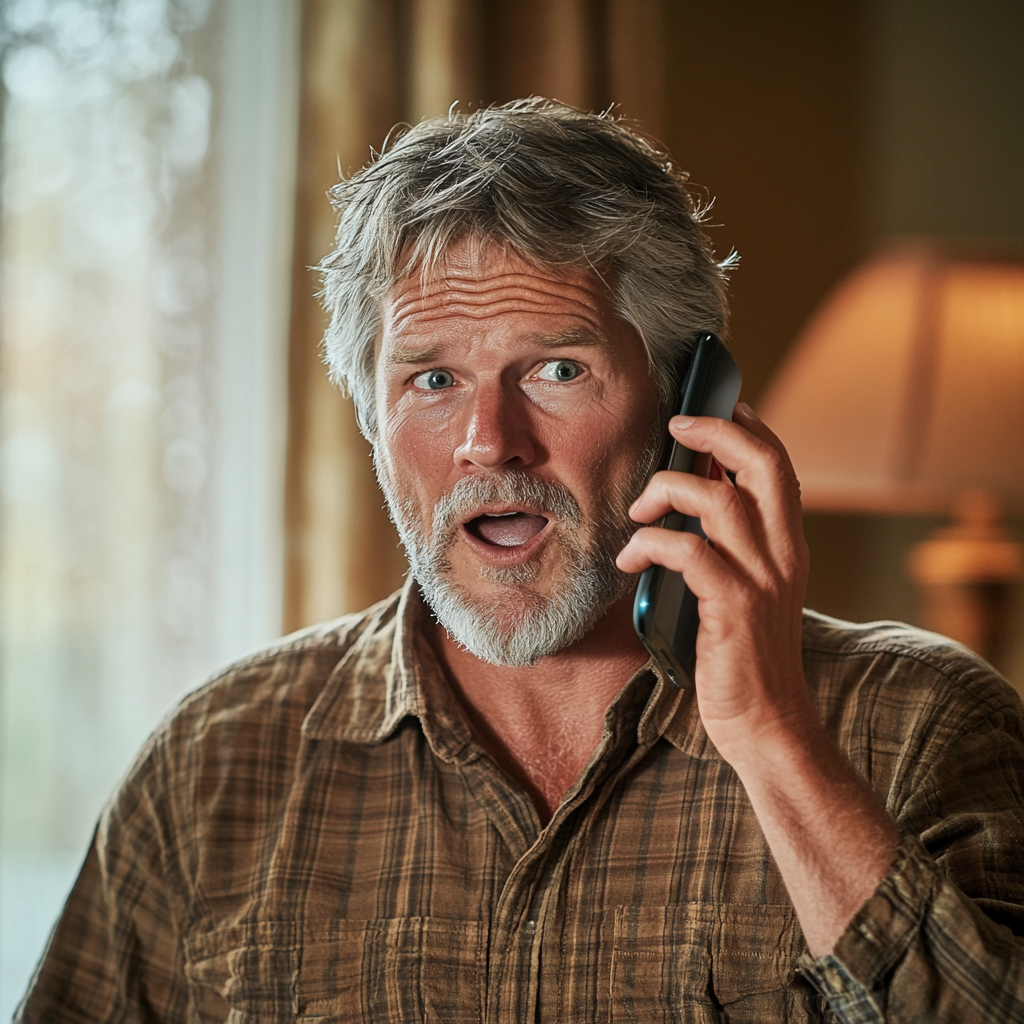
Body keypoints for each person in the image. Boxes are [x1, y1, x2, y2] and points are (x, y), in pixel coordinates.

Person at [17, 98, 1024, 1023]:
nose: (487, 441)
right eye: (433, 378)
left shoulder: (923, 729)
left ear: (690, 408)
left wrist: (773, 736)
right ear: (372, 421)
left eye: (556, 368)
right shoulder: (213, 768)